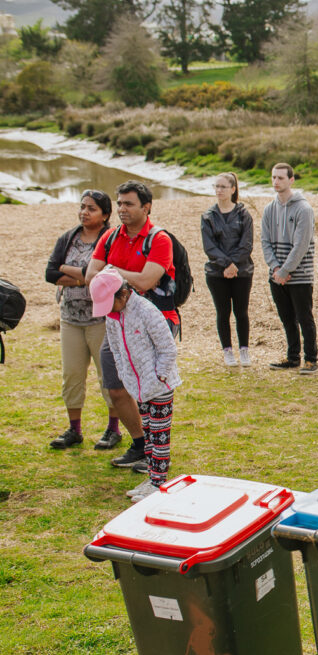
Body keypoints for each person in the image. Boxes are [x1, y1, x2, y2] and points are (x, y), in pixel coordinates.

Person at [83, 181, 178, 471]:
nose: (122, 209)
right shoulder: (110, 237)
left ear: (146, 207)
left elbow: (148, 281)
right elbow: (90, 275)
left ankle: (156, 457)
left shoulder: (160, 240)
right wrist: (123, 276)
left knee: (152, 391)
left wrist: (112, 273)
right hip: (117, 324)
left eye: (129, 204)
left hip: (154, 321)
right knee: (115, 387)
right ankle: (140, 445)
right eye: (119, 203)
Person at [90, 270, 182, 503]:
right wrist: (125, 375)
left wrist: (159, 376)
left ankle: (160, 482)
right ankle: (152, 478)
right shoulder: (112, 317)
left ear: (122, 294)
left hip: (159, 386)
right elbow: (116, 350)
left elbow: (168, 348)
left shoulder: (146, 311)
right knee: (148, 433)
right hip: (138, 386)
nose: (107, 311)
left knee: (160, 435)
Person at [44, 189, 118, 450]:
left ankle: (113, 429)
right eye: (82, 206)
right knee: (71, 375)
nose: (84, 212)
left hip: (101, 319)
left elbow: (104, 276)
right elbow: (50, 273)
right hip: (70, 318)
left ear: (105, 214)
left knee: (107, 376)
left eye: (91, 208)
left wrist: (71, 271)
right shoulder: (68, 238)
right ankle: (74, 430)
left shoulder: (109, 240)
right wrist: (83, 276)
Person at [261, 163, 318, 375]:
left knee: (304, 318)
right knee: (287, 319)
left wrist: (286, 270)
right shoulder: (269, 209)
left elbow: (301, 245)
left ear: (291, 180)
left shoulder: (304, 209)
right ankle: (293, 357)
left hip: (300, 275)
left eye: (281, 178)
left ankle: (311, 359)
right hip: (276, 275)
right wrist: (276, 268)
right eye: (274, 177)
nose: (276, 182)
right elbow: (265, 241)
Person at [199, 172, 255, 367]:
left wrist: (234, 265)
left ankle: (244, 350)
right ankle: (227, 351)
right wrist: (226, 264)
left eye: (223, 187)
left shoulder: (243, 214)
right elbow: (209, 247)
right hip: (216, 272)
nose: (219, 190)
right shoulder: (208, 216)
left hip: (242, 271)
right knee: (222, 312)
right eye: (216, 186)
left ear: (233, 189)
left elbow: (246, 244)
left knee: (241, 311)